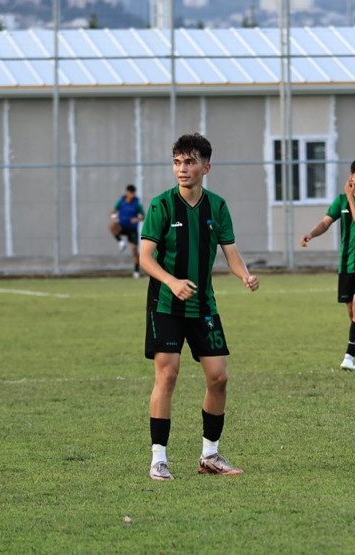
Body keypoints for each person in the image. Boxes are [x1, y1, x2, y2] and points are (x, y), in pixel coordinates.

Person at [139, 133, 259, 481]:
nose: (182, 169)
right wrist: (172, 282)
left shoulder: (217, 207)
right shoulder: (162, 205)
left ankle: (210, 455)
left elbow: (230, 253)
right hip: (165, 304)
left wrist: (245, 276)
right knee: (168, 374)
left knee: (219, 377)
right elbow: (145, 258)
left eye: (189, 162)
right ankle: (158, 458)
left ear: (206, 167)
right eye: (177, 162)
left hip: (204, 305)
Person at [300, 157, 355, 371]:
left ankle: (348, 356)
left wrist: (349, 195)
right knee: (353, 313)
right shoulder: (340, 200)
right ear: (352, 178)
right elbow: (326, 222)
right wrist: (311, 234)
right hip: (347, 264)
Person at [109, 184, 145, 278]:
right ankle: (120, 242)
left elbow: (144, 216)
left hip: (132, 228)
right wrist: (114, 216)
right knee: (112, 225)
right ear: (127, 193)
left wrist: (137, 219)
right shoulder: (121, 202)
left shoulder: (137, 204)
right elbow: (113, 211)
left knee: (134, 250)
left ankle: (136, 271)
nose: (131, 195)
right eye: (130, 193)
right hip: (122, 226)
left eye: (133, 193)